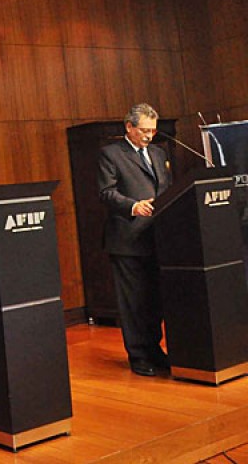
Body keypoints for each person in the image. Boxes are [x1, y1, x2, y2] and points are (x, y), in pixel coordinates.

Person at [98, 103, 172, 377]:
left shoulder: (158, 153)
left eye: (153, 131)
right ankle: (139, 355)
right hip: (127, 239)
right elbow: (106, 192)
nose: (149, 136)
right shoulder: (111, 154)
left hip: (156, 237)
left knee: (154, 300)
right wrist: (132, 206)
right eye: (144, 130)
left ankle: (155, 350)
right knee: (134, 303)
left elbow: (167, 189)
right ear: (129, 127)